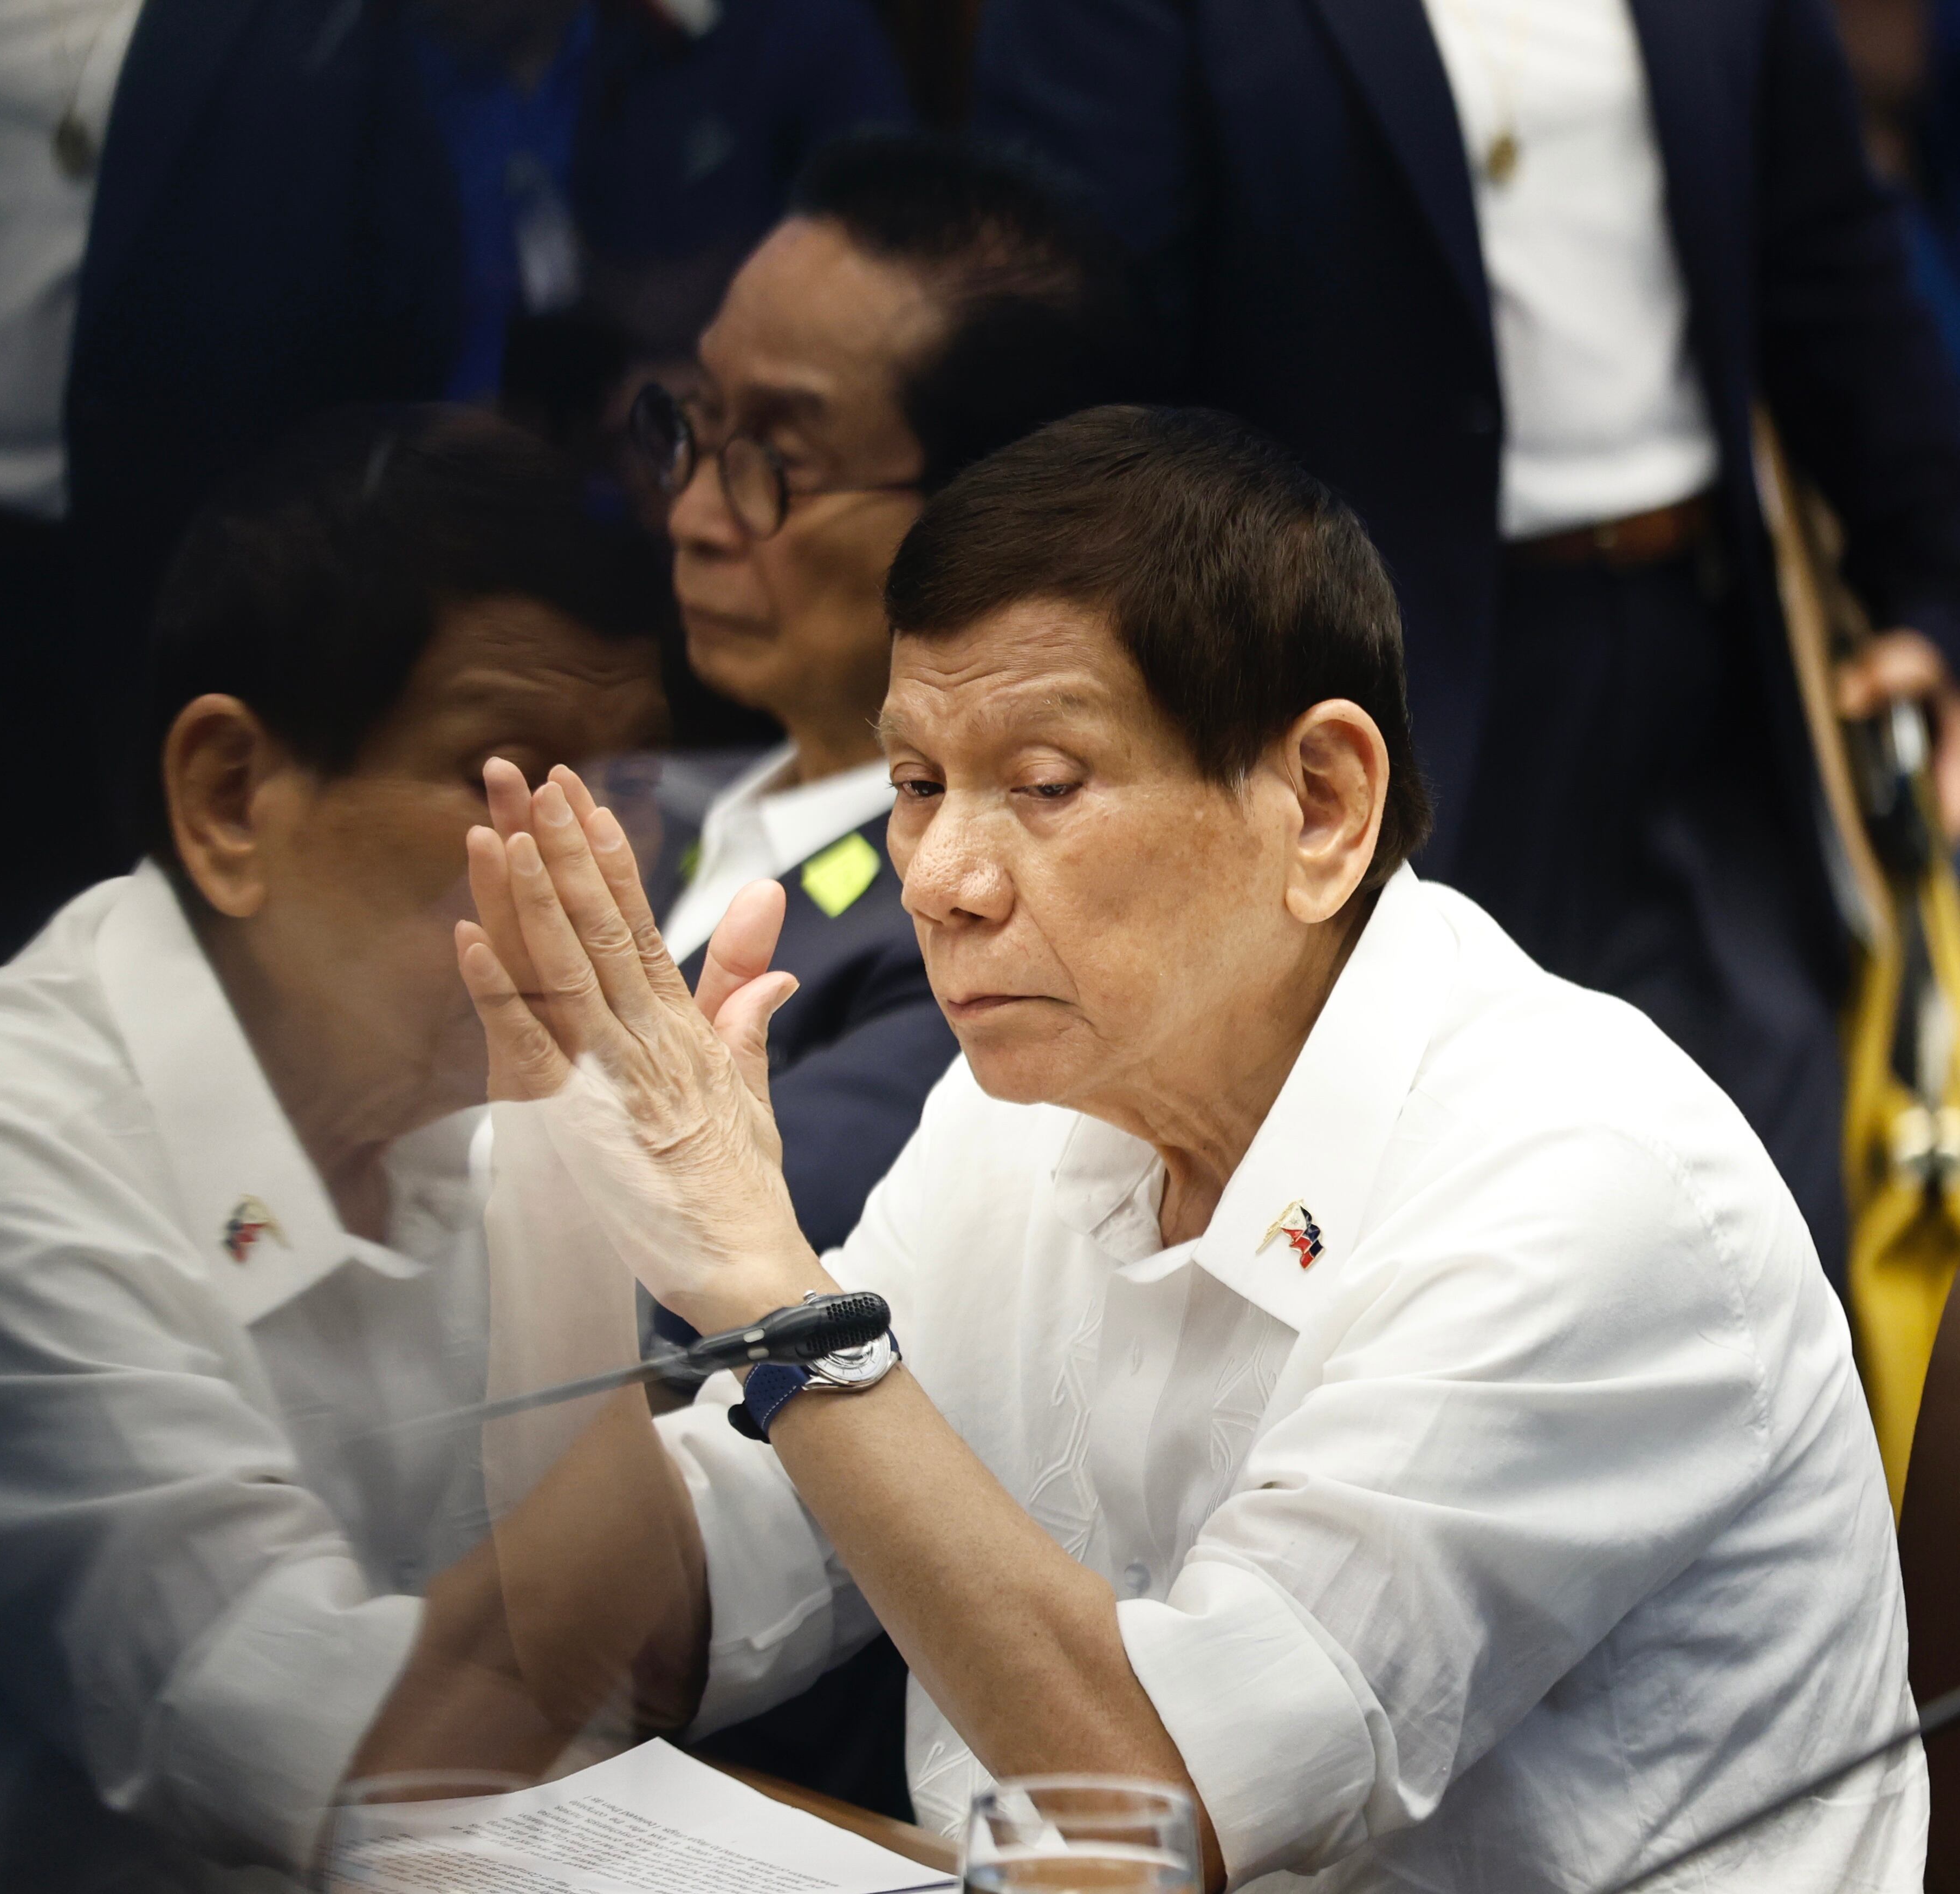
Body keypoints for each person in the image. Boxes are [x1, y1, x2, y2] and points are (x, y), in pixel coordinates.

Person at [444, 407, 1922, 1887]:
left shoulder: (1578, 1183)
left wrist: (780, 1305)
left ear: (1320, 804)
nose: (942, 880)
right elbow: (615, 1641)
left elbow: (1150, 1811)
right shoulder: (1009, 1118)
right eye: (912, 785)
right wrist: (562, 1210)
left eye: (1041, 783)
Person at [0, 408, 668, 1891]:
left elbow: (590, 1707)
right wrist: (634, 1182)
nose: (596, 872)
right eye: (507, 778)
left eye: (626, 789)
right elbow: (393, 1780)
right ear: (231, 796)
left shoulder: (480, 1116)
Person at [970, 0, 1960, 1280]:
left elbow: (1825, 262)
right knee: (1404, 1208)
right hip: (1345, 681)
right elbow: (1078, 354)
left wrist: (1932, 595)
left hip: (1690, 643)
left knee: (1757, 1184)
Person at [0, 0, 461, 1234]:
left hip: (138, 609)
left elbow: (399, 301)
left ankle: (62, 1316)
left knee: (104, 1012)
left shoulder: (306, 27)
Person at [638, 129, 1144, 1259]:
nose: (694, 518)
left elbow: (686, 1278)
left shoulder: (974, 928)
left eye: (779, 459)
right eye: (699, 423)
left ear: (996, 515)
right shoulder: (631, 802)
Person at [405, 0, 910, 406]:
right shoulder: (379, 60)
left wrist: (715, 387)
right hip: (458, 442)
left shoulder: (781, 33)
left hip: (688, 431)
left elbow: (887, 255)